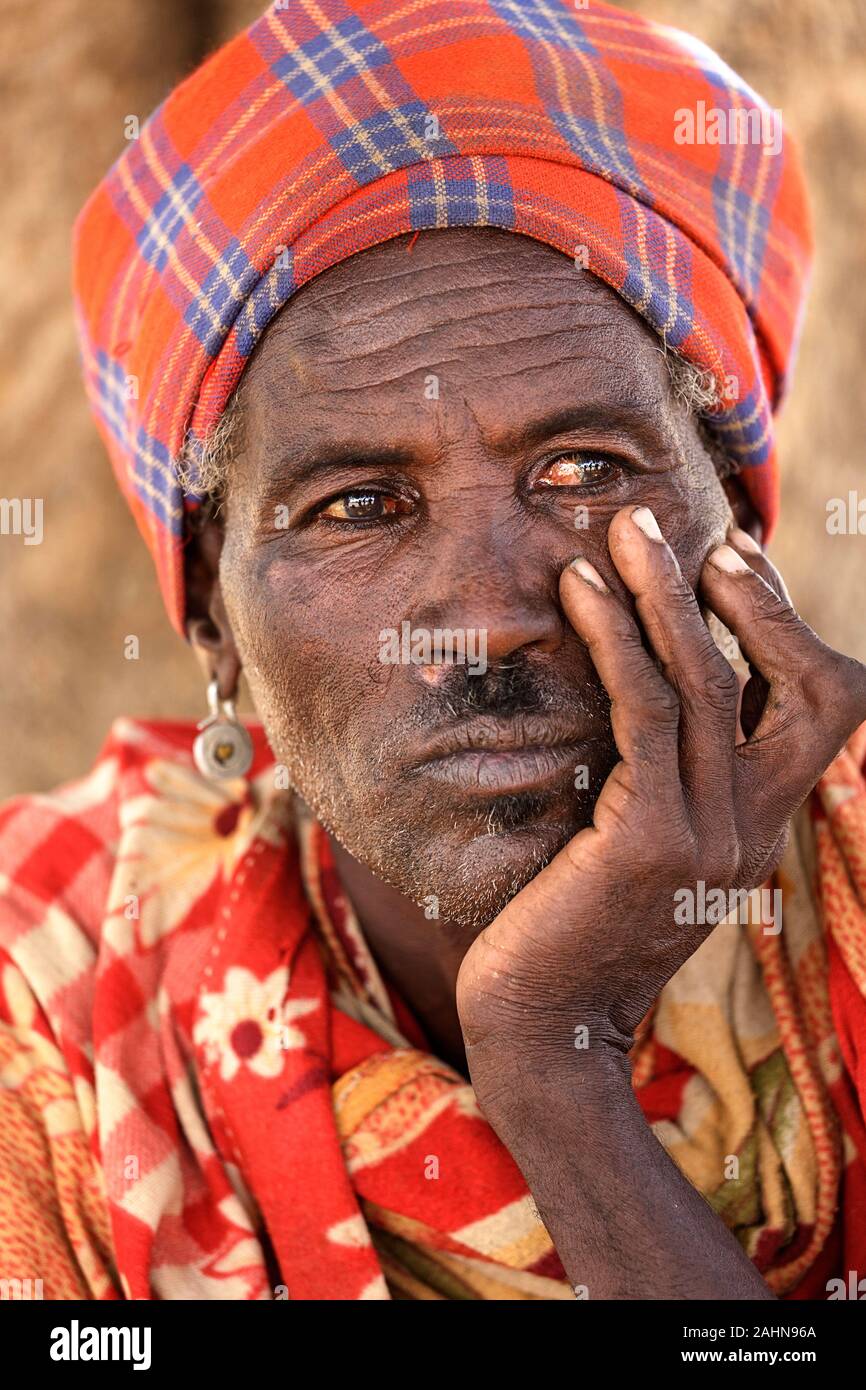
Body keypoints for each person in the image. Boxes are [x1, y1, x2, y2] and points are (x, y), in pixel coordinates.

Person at [1, 0, 864, 1301]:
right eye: (356, 504)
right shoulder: (51, 1010)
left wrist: (549, 1064)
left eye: (583, 469)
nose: (486, 616)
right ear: (212, 631)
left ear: (737, 532)